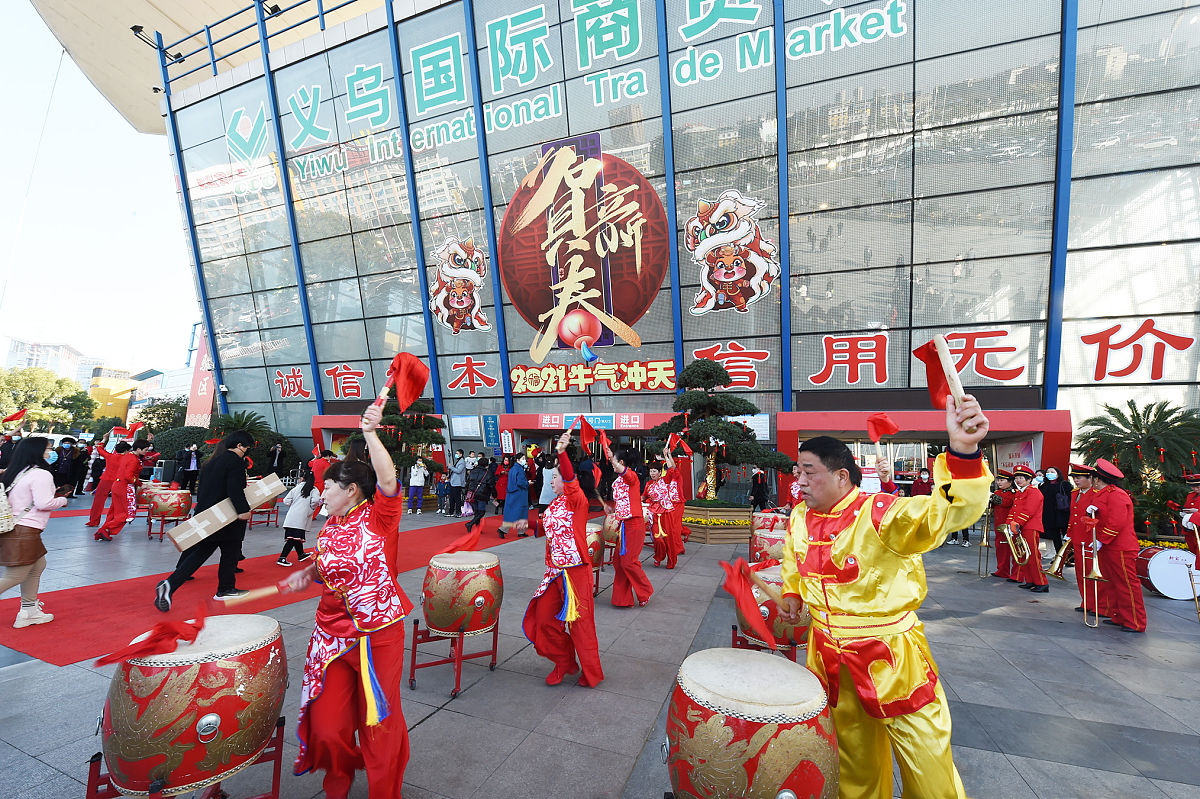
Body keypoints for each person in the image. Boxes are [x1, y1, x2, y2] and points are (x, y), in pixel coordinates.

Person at [778, 393, 991, 799]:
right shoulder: (801, 516)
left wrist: (963, 454)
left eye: (808, 472)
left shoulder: (882, 513)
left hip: (891, 658)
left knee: (928, 766)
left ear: (842, 477)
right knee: (853, 765)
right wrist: (792, 593)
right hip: (827, 656)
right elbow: (794, 559)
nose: (799, 481)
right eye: (797, 471)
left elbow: (942, 514)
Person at [281, 402, 413, 798]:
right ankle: (338, 779)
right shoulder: (331, 527)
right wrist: (308, 572)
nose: (320, 492)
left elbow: (388, 482)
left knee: (378, 720)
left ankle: (383, 790)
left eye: (327, 486)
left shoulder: (379, 518)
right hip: (330, 635)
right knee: (327, 723)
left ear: (351, 490)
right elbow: (327, 567)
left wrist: (371, 433)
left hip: (376, 634)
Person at [523, 431, 604, 687]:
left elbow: (570, 478)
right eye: (552, 477)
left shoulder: (576, 500)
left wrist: (562, 453)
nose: (551, 481)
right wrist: (526, 525)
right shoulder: (556, 504)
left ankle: (591, 672)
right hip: (554, 571)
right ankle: (565, 662)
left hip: (576, 572)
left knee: (580, 625)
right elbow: (548, 529)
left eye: (554, 477)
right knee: (544, 620)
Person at [154, 431, 255, 609]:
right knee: (225, 552)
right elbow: (235, 489)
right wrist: (243, 510)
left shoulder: (212, 461)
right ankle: (221, 588)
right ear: (239, 445)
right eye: (246, 448)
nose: (245, 452)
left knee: (211, 551)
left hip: (208, 513)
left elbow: (202, 490)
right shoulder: (235, 462)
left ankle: (175, 585)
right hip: (226, 515)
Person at [0, 437, 70, 628]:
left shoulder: (18, 472)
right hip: (25, 531)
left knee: (37, 566)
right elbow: (44, 503)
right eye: (48, 448)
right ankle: (29, 611)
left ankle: (29, 611)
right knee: (15, 576)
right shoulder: (40, 474)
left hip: (15, 528)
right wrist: (62, 500)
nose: (51, 451)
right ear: (37, 451)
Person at [1087, 458, 1146, 633]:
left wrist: (1101, 539)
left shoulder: (1117, 495)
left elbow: (1116, 522)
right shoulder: (1105, 493)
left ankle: (1135, 622)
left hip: (1120, 547)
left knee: (1127, 584)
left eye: (1093, 479)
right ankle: (1119, 615)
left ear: (1098, 479)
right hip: (1109, 546)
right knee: (1112, 583)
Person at [601, 443, 654, 607]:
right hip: (623, 526)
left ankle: (645, 591)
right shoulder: (619, 480)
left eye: (614, 461)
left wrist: (611, 458)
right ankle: (623, 599)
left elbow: (626, 475)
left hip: (634, 525)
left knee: (628, 562)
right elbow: (623, 501)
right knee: (618, 561)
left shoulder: (632, 477)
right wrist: (611, 508)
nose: (611, 463)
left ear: (621, 462)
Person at [96, 437, 153, 541]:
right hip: (125, 487)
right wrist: (140, 484)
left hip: (117, 485)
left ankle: (105, 530)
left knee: (115, 511)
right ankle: (105, 529)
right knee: (127, 514)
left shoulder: (128, 456)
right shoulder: (134, 459)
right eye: (145, 450)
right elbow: (128, 476)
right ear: (139, 449)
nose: (146, 452)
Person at [1067, 463, 1100, 614]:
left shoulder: (1096, 493)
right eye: (1074, 477)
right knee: (1080, 572)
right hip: (1078, 537)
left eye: (1079, 477)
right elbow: (1073, 515)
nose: (1076, 480)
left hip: (1090, 538)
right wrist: (1069, 532)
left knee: (1091, 571)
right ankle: (1086, 601)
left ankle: (1097, 604)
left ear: (1091, 478)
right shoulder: (1075, 493)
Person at [1009, 465, 1048, 592]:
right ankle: (1030, 580)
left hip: (1029, 527)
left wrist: (1016, 523)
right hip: (1019, 527)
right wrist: (1009, 524)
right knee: (1023, 555)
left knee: (1032, 556)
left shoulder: (1033, 491)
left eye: (1021, 478)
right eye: (1017, 478)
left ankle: (1042, 582)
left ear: (1029, 479)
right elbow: (1014, 510)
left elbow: (1029, 511)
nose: (1018, 480)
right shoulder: (1021, 492)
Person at [644, 447, 683, 569]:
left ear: (660, 472)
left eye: (655, 471)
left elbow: (672, 468)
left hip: (666, 513)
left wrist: (667, 455)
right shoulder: (648, 484)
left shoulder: (665, 480)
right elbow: (643, 496)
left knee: (668, 539)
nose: (652, 473)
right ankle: (658, 556)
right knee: (658, 539)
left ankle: (671, 561)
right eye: (651, 471)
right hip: (654, 514)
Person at [279, 467, 322, 566]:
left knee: (295, 537)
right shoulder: (314, 489)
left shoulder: (297, 488)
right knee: (293, 538)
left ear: (303, 478)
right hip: (302, 517)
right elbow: (316, 501)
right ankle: (282, 557)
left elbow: (286, 501)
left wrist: (294, 505)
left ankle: (301, 554)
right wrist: (311, 509)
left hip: (292, 516)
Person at [989, 471, 1017, 581]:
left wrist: (992, 497)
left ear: (1010, 482)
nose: (999, 482)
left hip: (1009, 525)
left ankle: (1015, 574)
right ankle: (1002, 570)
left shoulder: (1014, 493)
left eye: (1002, 480)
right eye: (998, 480)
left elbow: (1006, 503)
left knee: (1011, 549)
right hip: (998, 525)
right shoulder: (998, 492)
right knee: (1000, 548)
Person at [1039, 466, 1070, 556]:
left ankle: (1070, 557)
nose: (1050, 474)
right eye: (1048, 472)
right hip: (1049, 515)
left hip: (1062, 514)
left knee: (1066, 536)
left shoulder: (1064, 484)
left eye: (1052, 472)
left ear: (1058, 474)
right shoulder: (1044, 486)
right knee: (1055, 538)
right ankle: (1059, 556)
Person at [500, 451, 530, 539]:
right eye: (523, 459)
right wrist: (527, 483)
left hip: (512, 494)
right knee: (520, 513)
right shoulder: (519, 470)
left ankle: (520, 531)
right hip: (519, 494)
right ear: (518, 460)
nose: (525, 460)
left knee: (512, 513)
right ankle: (504, 529)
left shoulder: (513, 469)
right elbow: (521, 482)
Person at [465, 457, 497, 533]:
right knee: (481, 512)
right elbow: (491, 485)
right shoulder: (487, 473)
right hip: (482, 493)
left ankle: (477, 528)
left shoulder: (472, 471)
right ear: (486, 465)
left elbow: (468, 482)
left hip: (472, 493)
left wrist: (466, 492)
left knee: (476, 511)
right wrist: (495, 494)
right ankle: (470, 524)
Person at [1180, 472, 1200, 560]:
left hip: (1198, 530)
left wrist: (1197, 512)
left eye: (1197, 486)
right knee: (1193, 554)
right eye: (1192, 487)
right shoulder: (1190, 495)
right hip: (1190, 531)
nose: (1195, 489)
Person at [448, 449, 467, 517]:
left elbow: (459, 470)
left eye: (457, 453)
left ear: (461, 454)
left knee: (457, 498)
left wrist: (451, 467)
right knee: (452, 497)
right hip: (453, 482)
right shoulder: (458, 461)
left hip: (457, 482)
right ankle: (451, 511)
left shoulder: (462, 462)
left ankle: (458, 512)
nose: (456, 454)